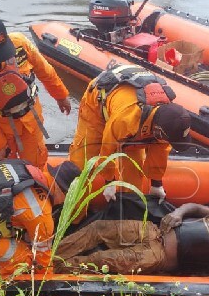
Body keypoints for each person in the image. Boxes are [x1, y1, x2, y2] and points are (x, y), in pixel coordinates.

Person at [0, 14, 71, 168]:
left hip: (30, 120)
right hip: (0, 127)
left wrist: (61, 96)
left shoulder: (20, 43)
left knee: (36, 164)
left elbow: (45, 71)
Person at [69, 63, 192, 203]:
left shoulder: (168, 119)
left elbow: (161, 149)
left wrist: (156, 184)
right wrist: (109, 181)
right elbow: (107, 148)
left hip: (133, 121)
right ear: (157, 131)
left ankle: (129, 208)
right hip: (97, 106)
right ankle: (75, 216)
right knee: (82, 165)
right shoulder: (127, 119)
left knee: (133, 176)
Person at [54, 200, 209, 276]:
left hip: (158, 255)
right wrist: (179, 212)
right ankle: (47, 256)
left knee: (98, 260)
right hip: (154, 230)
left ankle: (48, 269)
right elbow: (195, 207)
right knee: (98, 228)